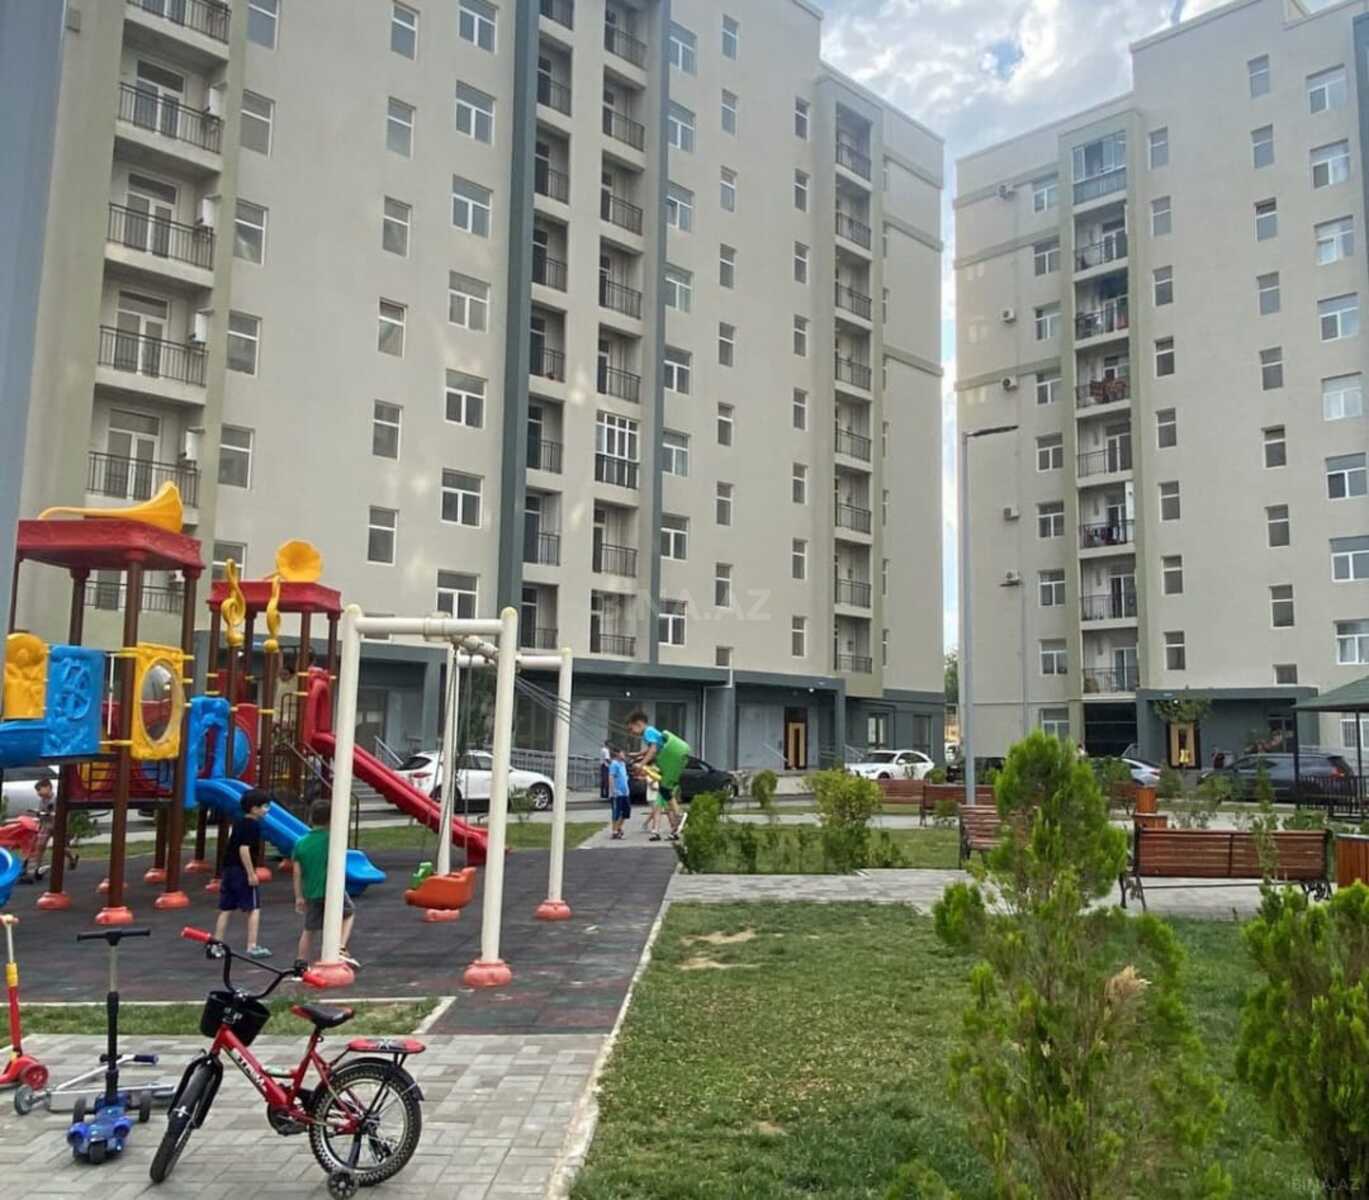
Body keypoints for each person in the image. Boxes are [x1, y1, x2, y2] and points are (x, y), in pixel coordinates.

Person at [292, 799, 359, 967]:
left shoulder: (300, 843)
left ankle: (300, 962)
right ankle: (340, 947)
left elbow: (297, 873)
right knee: (349, 912)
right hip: (331, 888)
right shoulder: (332, 839)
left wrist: (299, 896)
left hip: (311, 891)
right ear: (331, 819)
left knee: (309, 929)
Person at [214, 789, 273, 959]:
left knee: (226, 909)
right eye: (265, 806)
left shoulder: (239, 822)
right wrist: (251, 873)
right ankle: (252, 946)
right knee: (253, 908)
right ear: (254, 809)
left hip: (229, 869)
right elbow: (244, 849)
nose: (267, 810)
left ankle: (216, 944)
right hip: (241, 870)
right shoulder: (253, 825)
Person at [626, 711, 689, 841]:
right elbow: (653, 747)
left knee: (665, 789)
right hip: (675, 756)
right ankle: (677, 821)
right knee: (665, 790)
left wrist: (641, 764)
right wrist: (638, 755)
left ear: (638, 724)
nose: (632, 733)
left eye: (631, 729)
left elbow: (654, 749)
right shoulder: (650, 732)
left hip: (672, 756)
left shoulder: (648, 732)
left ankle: (679, 815)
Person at [19, 775, 56, 883]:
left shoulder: (56, 799)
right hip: (46, 825)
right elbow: (42, 813)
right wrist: (38, 813)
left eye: (39, 789)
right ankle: (36, 869)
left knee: (59, 847)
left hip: (57, 825)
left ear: (48, 787)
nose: (38, 793)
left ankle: (71, 857)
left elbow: (54, 813)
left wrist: (42, 813)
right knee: (39, 846)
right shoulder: (42, 800)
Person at [607, 748, 631, 840]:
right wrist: (613, 791)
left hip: (625, 792)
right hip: (618, 793)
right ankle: (614, 831)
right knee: (616, 813)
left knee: (626, 812)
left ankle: (618, 827)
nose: (624, 754)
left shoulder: (623, 764)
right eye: (622, 753)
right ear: (617, 754)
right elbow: (611, 777)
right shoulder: (614, 764)